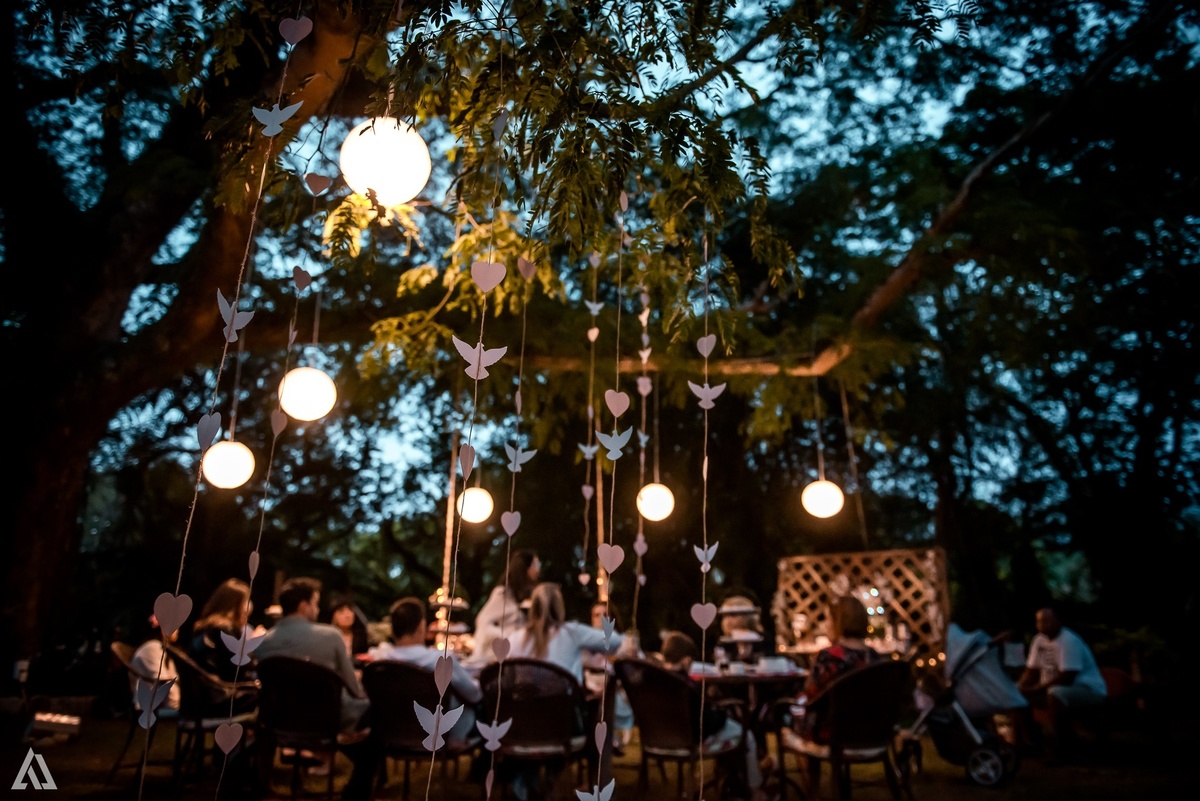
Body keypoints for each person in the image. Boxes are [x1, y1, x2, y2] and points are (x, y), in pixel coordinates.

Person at [254, 577, 381, 801]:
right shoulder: (330, 636)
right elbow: (354, 688)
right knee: (376, 732)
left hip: (281, 721)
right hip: (327, 720)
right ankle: (355, 794)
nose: (318, 608)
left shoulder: (263, 642)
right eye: (316, 602)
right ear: (304, 606)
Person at [660, 631, 766, 801]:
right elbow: (707, 722)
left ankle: (731, 781)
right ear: (687, 661)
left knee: (733, 731)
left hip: (662, 739)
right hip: (695, 741)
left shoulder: (655, 681)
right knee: (746, 735)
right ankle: (754, 791)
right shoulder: (686, 686)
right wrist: (721, 713)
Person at [369, 597, 483, 748]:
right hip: (443, 732)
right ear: (422, 626)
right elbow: (474, 695)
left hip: (393, 731)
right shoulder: (441, 660)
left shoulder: (380, 661)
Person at [1017, 607, 1106, 764]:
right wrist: (1021, 686)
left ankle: (1063, 749)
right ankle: (1030, 743)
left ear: (1058, 621)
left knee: (1056, 693)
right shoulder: (1038, 640)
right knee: (1016, 695)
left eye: (1046, 620)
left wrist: (1036, 689)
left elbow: (1067, 677)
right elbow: (1031, 671)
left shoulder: (1069, 640)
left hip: (1086, 690)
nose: (1042, 624)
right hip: (1052, 690)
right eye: (1039, 621)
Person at [507, 582, 628, 683]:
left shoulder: (515, 639)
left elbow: (506, 677)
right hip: (564, 708)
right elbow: (616, 641)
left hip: (525, 709)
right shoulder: (571, 632)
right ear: (559, 607)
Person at [187, 578, 260, 713]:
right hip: (219, 700)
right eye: (245, 603)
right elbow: (239, 668)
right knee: (272, 696)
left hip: (198, 701)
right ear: (235, 605)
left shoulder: (205, 627)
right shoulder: (224, 630)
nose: (248, 609)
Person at [466, 549, 541, 668]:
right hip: (502, 658)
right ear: (524, 568)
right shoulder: (503, 594)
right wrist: (508, 636)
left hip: (522, 655)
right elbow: (482, 621)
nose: (538, 570)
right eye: (535, 565)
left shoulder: (528, 596)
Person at [129, 613, 181, 714]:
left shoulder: (160, 649)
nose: (177, 631)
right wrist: (175, 706)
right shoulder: (152, 648)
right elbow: (164, 681)